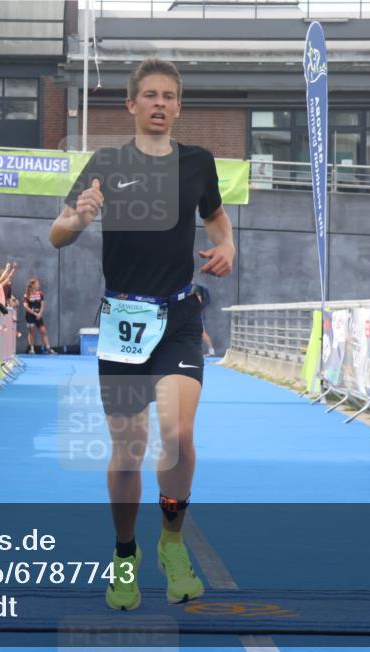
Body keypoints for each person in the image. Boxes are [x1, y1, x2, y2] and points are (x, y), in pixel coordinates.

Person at [49, 58, 235, 611]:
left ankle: (172, 545)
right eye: (149, 95)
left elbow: (218, 221)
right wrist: (80, 218)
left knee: (177, 433)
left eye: (169, 96)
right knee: (128, 451)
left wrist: (227, 246)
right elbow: (57, 233)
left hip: (179, 317)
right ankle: (125, 554)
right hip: (123, 324)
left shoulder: (199, 163)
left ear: (179, 107)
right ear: (131, 105)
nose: (159, 103)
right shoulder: (105, 163)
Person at [22, 277, 55, 354]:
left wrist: (40, 313)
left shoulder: (40, 294)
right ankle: (32, 349)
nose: (38, 285)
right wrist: (34, 313)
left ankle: (48, 348)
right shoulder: (26, 295)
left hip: (38, 316)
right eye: (37, 284)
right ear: (32, 285)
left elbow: (42, 305)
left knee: (43, 331)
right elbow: (26, 306)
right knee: (31, 332)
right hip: (30, 316)